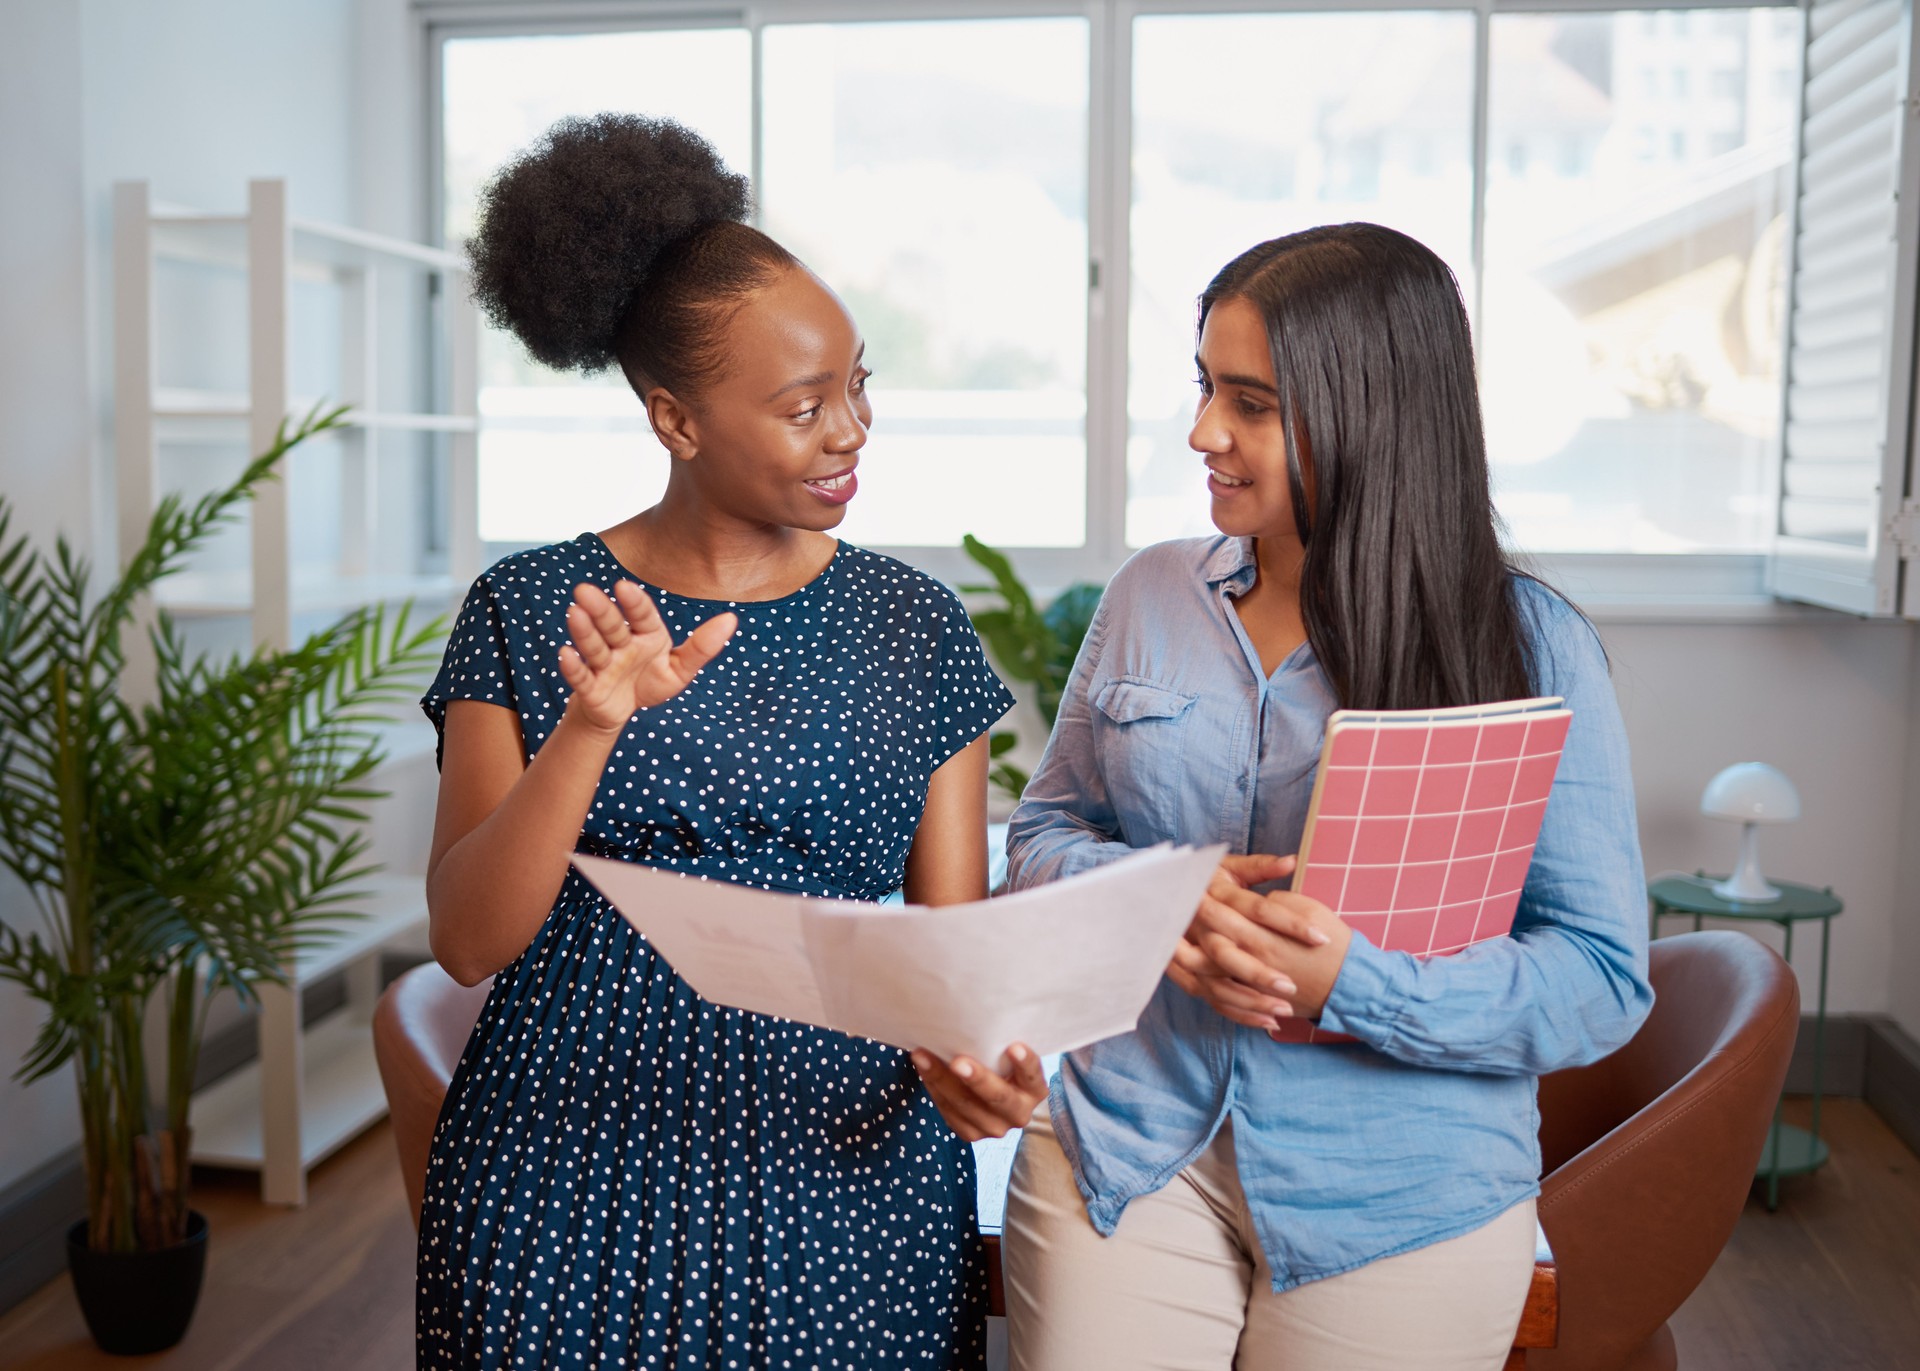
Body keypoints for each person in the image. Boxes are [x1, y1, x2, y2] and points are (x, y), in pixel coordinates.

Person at [416, 113, 1045, 1370]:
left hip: (848, 1177)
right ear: (676, 420)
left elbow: (951, 962)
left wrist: (977, 1070)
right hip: (568, 1170)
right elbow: (470, 940)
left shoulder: (911, 626)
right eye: (806, 405)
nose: (852, 429)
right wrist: (590, 726)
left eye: (858, 384)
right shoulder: (534, 609)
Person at [1000, 223, 1653, 1371]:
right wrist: (1158, 897)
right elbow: (1046, 834)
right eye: (1205, 387)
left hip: (1407, 1188)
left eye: (1250, 402)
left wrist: (1356, 985)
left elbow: (1599, 978)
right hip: (1135, 1147)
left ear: (1371, 409)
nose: (1204, 432)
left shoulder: (1528, 647)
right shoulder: (1151, 594)